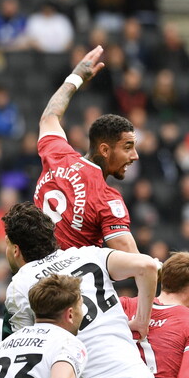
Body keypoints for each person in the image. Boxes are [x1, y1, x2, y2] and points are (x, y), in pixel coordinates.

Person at [2, 202, 158, 378]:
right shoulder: (89, 254)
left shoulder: (22, 284)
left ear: (16, 249)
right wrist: (141, 321)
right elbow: (148, 266)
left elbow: (32, 356)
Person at [34, 45, 139, 252]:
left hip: (33, 278)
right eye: (128, 148)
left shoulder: (58, 155)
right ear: (105, 150)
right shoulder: (106, 198)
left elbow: (50, 116)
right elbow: (136, 261)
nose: (134, 156)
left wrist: (76, 77)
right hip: (72, 283)